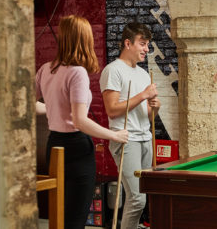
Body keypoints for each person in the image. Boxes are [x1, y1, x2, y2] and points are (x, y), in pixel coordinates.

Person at [36, 15, 129, 229]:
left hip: (54, 146)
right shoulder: (77, 72)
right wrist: (115, 135)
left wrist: (52, 109)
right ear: (83, 39)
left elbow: (24, 105)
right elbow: (80, 121)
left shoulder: (46, 68)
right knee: (75, 219)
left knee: (61, 216)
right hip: (76, 149)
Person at [99, 22, 160, 229]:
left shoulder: (143, 74)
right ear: (128, 43)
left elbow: (148, 117)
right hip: (126, 139)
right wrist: (143, 95)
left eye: (147, 44)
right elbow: (112, 109)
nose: (146, 49)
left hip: (145, 139)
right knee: (137, 199)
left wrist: (155, 107)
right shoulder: (113, 70)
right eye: (142, 44)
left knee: (142, 196)